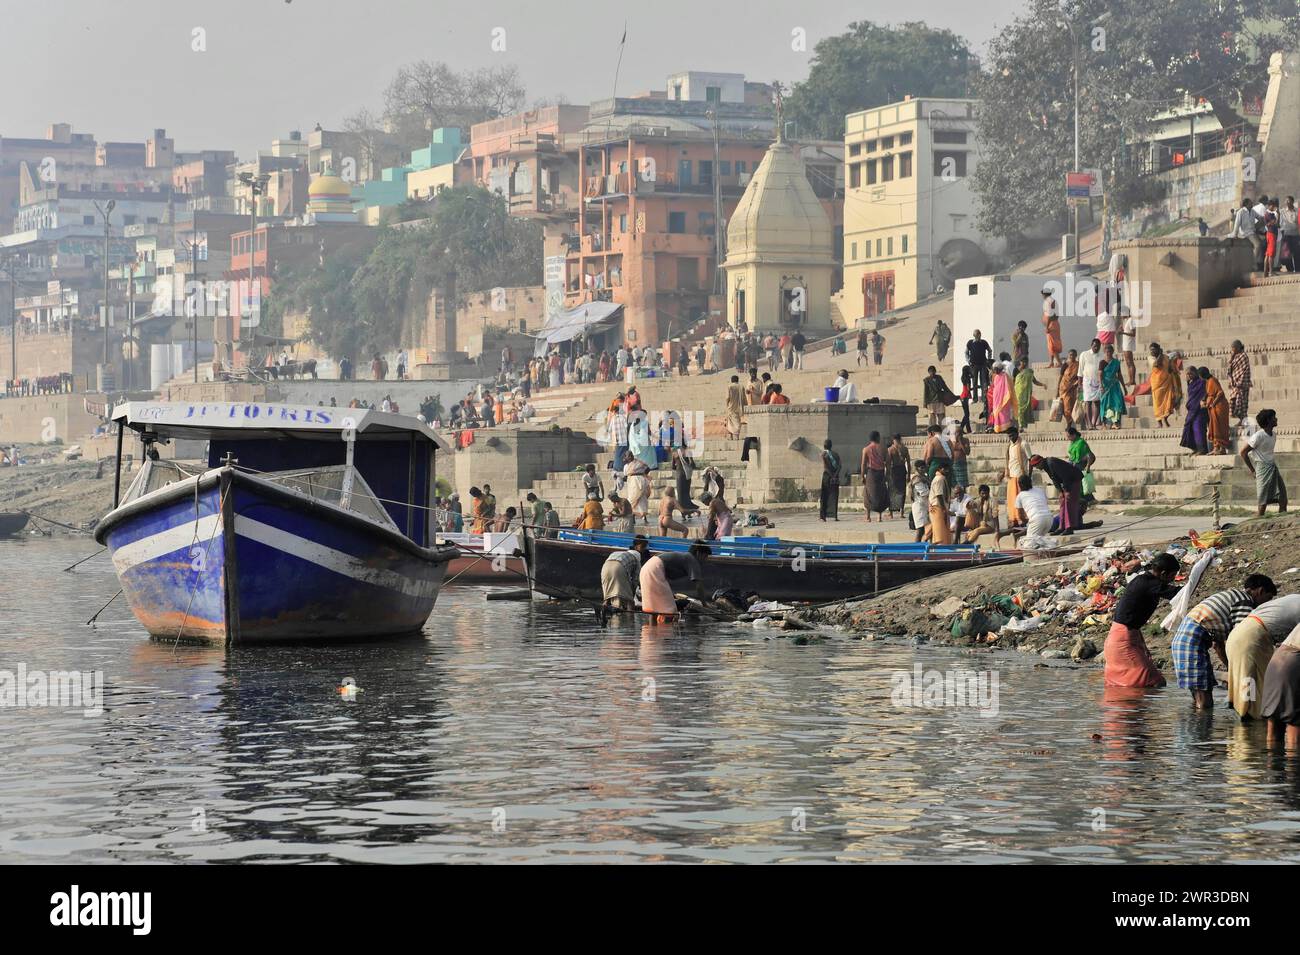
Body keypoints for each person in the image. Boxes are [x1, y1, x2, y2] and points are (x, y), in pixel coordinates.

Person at [1172, 576, 1278, 710]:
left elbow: (1218, 646)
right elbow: (1242, 640)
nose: (1265, 605)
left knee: (1200, 693)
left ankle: (1197, 724)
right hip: (1192, 640)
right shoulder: (1245, 601)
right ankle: (1200, 727)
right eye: (1268, 599)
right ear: (1260, 591)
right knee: (1204, 701)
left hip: (1184, 640)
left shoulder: (1232, 597)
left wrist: (1232, 671)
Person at [1104, 553, 1180, 688]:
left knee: (1132, 685)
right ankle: (1136, 707)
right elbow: (1177, 594)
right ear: (1163, 573)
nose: (1173, 579)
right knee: (1154, 682)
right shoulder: (1149, 583)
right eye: (1172, 575)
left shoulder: (1144, 580)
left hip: (1122, 637)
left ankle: (1133, 707)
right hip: (1122, 642)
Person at [1227, 594, 1300, 720]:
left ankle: (1247, 726)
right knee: (1255, 688)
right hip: (1251, 639)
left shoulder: (1295, 599)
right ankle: (1252, 731)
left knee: (1252, 684)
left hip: (1243, 635)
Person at [639, 543, 711, 623]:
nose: (706, 560)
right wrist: (704, 604)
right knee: (670, 610)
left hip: (646, 568)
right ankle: (666, 634)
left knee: (654, 609)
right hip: (655, 569)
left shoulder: (685, 557)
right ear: (698, 553)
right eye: (705, 556)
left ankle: (651, 632)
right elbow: (698, 585)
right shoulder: (692, 559)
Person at [1242, 408, 1287, 516]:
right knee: (1262, 502)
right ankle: (1257, 521)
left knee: (1282, 497)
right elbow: (1243, 452)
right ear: (1268, 420)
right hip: (1262, 468)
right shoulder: (1258, 436)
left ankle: (1282, 519)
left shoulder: (1274, 434)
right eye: (1273, 418)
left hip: (1272, 467)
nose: (1276, 419)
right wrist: (1252, 470)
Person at [1030, 453, 1084, 535]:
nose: (1037, 467)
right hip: (1067, 481)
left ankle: (1069, 528)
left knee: (1069, 503)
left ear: (1040, 462)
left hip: (1073, 479)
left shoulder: (1052, 462)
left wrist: (1066, 491)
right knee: (1062, 503)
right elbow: (1054, 479)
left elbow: (1065, 476)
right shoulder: (1046, 465)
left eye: (1037, 465)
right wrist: (1060, 491)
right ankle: (1061, 527)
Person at [601, 536, 650, 611]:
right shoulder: (637, 556)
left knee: (608, 597)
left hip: (605, 567)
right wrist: (632, 596)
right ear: (637, 547)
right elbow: (635, 579)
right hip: (619, 567)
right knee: (629, 602)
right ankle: (630, 619)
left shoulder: (622, 553)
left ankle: (603, 613)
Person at [1013, 474, 1053, 546]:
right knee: (1039, 542)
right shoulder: (1039, 490)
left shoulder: (1020, 496)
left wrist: (1028, 522)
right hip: (1049, 518)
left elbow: (1020, 516)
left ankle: (1053, 543)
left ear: (1019, 485)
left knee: (1028, 545)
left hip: (1037, 519)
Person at [1004, 426, 1031, 527]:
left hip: (1021, 477)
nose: (1011, 437)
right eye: (1009, 436)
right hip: (1011, 477)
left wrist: (1029, 475)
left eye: (1012, 435)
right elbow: (1009, 461)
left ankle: (1023, 520)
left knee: (1022, 500)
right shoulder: (1009, 446)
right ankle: (1014, 520)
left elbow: (1031, 460)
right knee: (1013, 501)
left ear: (1017, 434)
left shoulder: (1024, 444)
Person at [1201, 366, 1230, 454]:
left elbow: (1220, 393)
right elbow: (1209, 393)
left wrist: (1213, 403)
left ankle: (1221, 449)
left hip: (1219, 407)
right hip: (1214, 408)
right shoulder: (1208, 381)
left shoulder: (1213, 380)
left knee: (1219, 427)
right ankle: (1217, 448)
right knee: (1214, 427)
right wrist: (1204, 401)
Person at [861, 431, 888, 522]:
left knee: (868, 493)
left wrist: (862, 476)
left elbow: (863, 464)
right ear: (877, 438)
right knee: (880, 493)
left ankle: (868, 516)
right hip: (880, 472)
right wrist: (888, 474)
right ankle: (879, 516)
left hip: (871, 473)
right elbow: (888, 462)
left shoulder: (866, 449)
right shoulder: (884, 448)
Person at [1181, 364, 1208, 454]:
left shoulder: (1201, 382)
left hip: (1199, 411)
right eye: (1187, 374)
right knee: (1189, 429)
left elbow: (1204, 393)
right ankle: (1195, 448)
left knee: (1199, 429)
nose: (1188, 376)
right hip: (1192, 410)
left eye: (1190, 374)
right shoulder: (1191, 384)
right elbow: (1191, 397)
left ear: (1195, 373)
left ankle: (1202, 449)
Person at [1148, 343, 1177, 428]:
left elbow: (1170, 369)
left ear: (1158, 349)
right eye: (1151, 350)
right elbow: (1156, 364)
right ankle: (1159, 423)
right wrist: (1160, 354)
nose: (1152, 351)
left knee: (1170, 402)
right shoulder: (1150, 358)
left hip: (1167, 383)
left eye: (1154, 349)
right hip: (1156, 384)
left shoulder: (1166, 357)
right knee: (1157, 404)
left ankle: (1165, 418)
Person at [1099, 344, 1126, 429]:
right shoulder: (1102, 362)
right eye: (1106, 352)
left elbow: (1119, 375)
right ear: (1104, 352)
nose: (1108, 353)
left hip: (1115, 386)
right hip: (1105, 386)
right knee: (1105, 405)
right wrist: (1101, 386)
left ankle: (1116, 423)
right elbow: (1099, 375)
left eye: (1110, 351)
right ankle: (1105, 424)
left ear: (1112, 352)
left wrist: (1124, 387)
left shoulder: (1116, 363)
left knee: (1118, 403)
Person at [1079, 338, 1103, 429]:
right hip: (1087, 381)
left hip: (1097, 382)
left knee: (1097, 402)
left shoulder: (1102, 355)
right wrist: (1079, 384)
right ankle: (1089, 424)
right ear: (1091, 345)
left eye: (1098, 346)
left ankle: (1094, 423)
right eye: (1094, 346)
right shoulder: (1084, 354)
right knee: (1088, 402)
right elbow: (1080, 370)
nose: (1096, 348)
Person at [1227, 340, 1251, 429]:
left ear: (1237, 348)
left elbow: (1244, 370)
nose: (1232, 350)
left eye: (1233, 348)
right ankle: (1241, 420)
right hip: (1235, 385)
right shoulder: (1234, 356)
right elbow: (1230, 369)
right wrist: (1231, 358)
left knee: (1242, 403)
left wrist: (1239, 382)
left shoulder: (1244, 356)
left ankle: (1244, 421)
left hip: (1242, 384)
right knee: (1234, 403)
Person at [1014, 358, 1043, 429]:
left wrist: (1043, 384)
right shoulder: (1016, 371)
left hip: (1026, 394)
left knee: (1023, 409)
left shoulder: (1029, 373)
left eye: (1023, 362)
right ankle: (1021, 425)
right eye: (1021, 362)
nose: (1022, 364)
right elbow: (1014, 382)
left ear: (1025, 363)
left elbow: (1035, 381)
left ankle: (1022, 425)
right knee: (1019, 409)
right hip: (1018, 394)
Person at [928, 461, 953, 544]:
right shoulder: (939, 479)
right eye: (944, 469)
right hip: (937, 507)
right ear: (939, 469)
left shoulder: (940, 478)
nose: (947, 471)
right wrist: (944, 509)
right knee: (940, 532)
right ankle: (940, 550)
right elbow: (939, 495)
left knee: (941, 530)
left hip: (938, 507)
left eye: (947, 469)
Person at [987, 361, 1014, 433]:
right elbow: (994, 387)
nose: (995, 371)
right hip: (996, 399)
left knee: (1003, 413)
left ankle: (1005, 428)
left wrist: (1006, 395)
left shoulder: (1005, 376)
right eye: (994, 369)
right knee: (997, 413)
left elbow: (1009, 386)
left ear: (1000, 368)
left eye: (996, 369)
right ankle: (998, 428)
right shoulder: (995, 377)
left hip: (1004, 398)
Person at [886, 435, 910, 518]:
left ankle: (891, 512)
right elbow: (908, 463)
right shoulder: (905, 449)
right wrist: (909, 474)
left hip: (894, 470)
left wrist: (887, 474)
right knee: (902, 490)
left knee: (892, 491)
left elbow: (888, 464)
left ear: (893, 440)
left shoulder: (890, 449)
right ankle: (901, 512)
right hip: (902, 469)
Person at [965, 330, 992, 401]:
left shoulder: (984, 342)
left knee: (983, 381)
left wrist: (988, 360)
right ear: (974, 335)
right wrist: (968, 361)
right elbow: (966, 352)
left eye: (978, 335)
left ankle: (984, 398)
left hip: (983, 364)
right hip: (974, 365)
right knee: (974, 382)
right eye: (976, 335)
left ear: (980, 335)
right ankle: (975, 398)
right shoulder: (970, 343)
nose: (978, 336)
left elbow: (989, 350)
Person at [819, 439, 841, 522]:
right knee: (834, 496)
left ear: (824, 446)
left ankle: (823, 516)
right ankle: (835, 516)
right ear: (831, 446)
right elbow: (840, 466)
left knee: (824, 496)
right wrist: (835, 475)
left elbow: (825, 467)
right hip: (835, 477)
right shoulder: (836, 454)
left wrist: (831, 475)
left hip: (827, 477)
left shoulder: (824, 454)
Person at [1057, 349, 1080, 428]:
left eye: (1073, 355)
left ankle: (1069, 424)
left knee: (1070, 406)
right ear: (1068, 356)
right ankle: (1069, 422)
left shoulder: (1078, 365)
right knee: (1065, 407)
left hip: (1073, 388)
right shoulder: (1065, 365)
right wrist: (1057, 390)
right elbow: (1060, 377)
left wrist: (1076, 384)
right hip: (1063, 388)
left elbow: (1079, 377)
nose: (1072, 356)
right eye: (1070, 355)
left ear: (1076, 356)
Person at [909, 459, 930, 542]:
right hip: (919, 506)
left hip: (924, 505)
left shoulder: (924, 478)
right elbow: (924, 493)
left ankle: (922, 548)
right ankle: (916, 548)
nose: (923, 469)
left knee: (925, 529)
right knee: (920, 530)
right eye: (921, 468)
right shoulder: (917, 479)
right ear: (917, 469)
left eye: (924, 467)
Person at [1041, 291, 1062, 368]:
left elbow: (1050, 315)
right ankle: (1051, 362)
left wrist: (1047, 326)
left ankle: (1059, 362)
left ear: (1044, 294)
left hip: (1051, 325)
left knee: (1052, 345)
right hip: (1054, 324)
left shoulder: (1049, 302)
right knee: (1051, 345)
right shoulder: (1053, 301)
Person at [725, 375, 744, 439]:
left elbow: (727, 397)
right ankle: (736, 436)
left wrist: (727, 405)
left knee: (730, 421)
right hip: (739, 407)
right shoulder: (741, 386)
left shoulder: (729, 387)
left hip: (731, 406)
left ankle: (731, 436)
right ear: (737, 380)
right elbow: (744, 397)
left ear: (731, 380)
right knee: (737, 421)